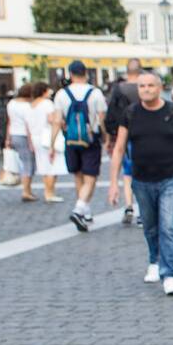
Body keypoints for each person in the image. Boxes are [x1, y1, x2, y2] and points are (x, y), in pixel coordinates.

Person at [107, 72, 173, 296]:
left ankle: (170, 274)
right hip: (141, 179)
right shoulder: (131, 113)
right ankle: (154, 260)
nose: (146, 89)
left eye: (150, 86)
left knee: (168, 226)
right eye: (142, 86)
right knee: (150, 225)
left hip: (171, 178)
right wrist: (114, 183)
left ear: (159, 88)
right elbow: (119, 148)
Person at [52, 61, 107, 231]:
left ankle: (85, 211)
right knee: (90, 177)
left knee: (78, 176)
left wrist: (52, 142)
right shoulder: (95, 92)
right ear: (86, 73)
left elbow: (57, 120)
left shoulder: (62, 94)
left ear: (70, 74)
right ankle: (79, 209)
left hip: (70, 139)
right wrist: (105, 136)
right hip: (90, 139)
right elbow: (101, 118)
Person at [105, 59, 145, 225]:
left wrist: (110, 137)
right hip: (145, 136)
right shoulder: (144, 89)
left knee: (128, 174)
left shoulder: (118, 90)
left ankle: (129, 206)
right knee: (143, 174)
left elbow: (111, 116)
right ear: (140, 71)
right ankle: (143, 211)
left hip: (125, 135)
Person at [28, 82, 66, 203]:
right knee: (52, 166)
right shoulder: (47, 103)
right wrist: (60, 122)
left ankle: (47, 191)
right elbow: (52, 120)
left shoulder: (32, 105)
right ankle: (50, 193)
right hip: (47, 136)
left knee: (44, 165)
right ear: (44, 91)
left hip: (36, 137)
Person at [5, 83, 37, 202]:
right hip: (24, 135)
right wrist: (31, 142)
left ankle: (27, 190)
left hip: (14, 134)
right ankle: (26, 191)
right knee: (28, 163)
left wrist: (7, 139)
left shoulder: (11, 104)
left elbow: (9, 122)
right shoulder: (27, 106)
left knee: (24, 161)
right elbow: (28, 125)